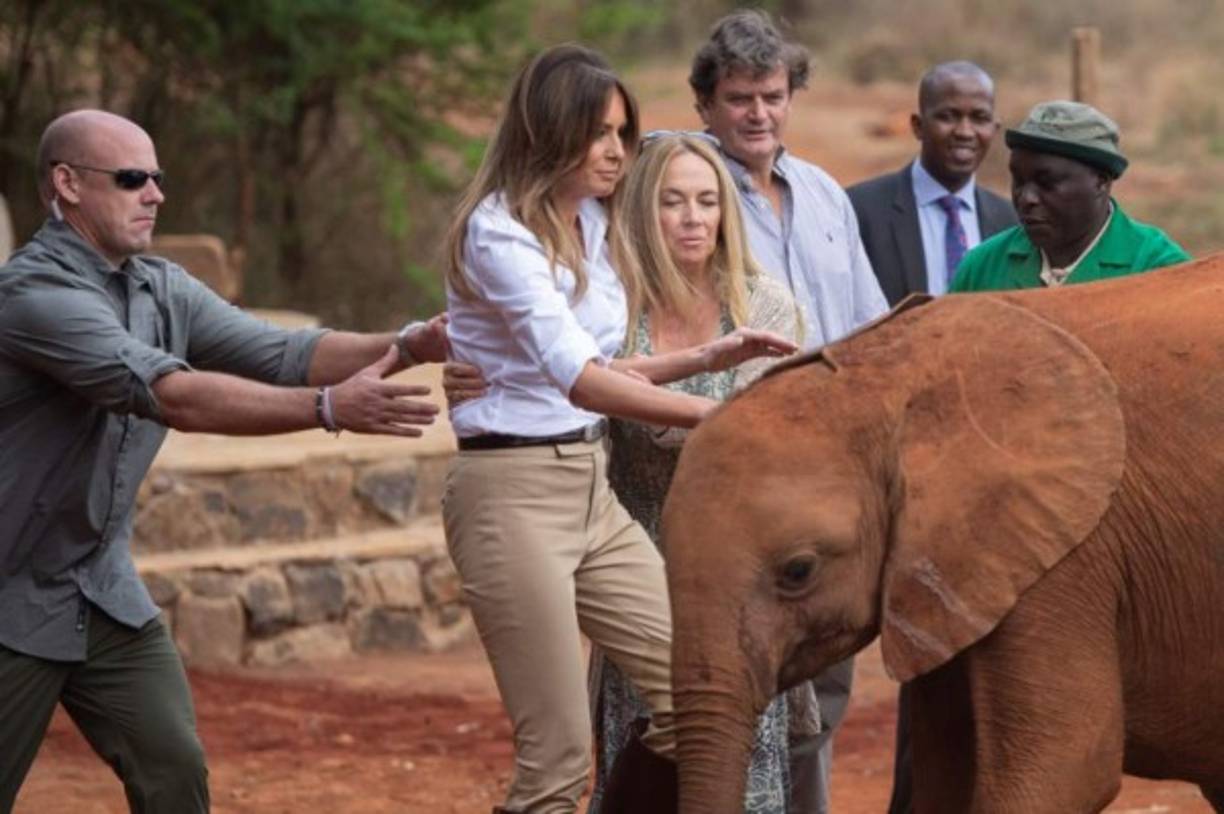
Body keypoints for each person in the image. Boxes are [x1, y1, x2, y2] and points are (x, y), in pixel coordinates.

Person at [0, 109, 454, 813]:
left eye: (158, 179)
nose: (155, 194)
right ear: (66, 185)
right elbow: (171, 395)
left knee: (175, 774)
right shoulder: (35, 297)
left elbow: (286, 354)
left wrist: (411, 343)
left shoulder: (160, 287)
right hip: (9, 599)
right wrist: (328, 410)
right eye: (130, 179)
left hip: (100, 592)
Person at [440, 45, 795, 814]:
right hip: (511, 493)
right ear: (547, 131)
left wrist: (709, 354)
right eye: (599, 133)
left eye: (621, 133)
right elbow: (580, 378)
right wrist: (718, 414)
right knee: (558, 763)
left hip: (589, 487)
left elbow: (603, 369)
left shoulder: (592, 225)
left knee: (697, 701)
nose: (615, 152)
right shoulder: (498, 233)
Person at [688, 11, 889, 811]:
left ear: (792, 95)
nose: (758, 114)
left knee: (820, 685)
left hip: (829, 471)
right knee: (725, 686)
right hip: (730, 462)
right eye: (738, 98)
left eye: (772, 95)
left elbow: (868, 326)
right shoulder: (686, 191)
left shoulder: (825, 192)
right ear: (705, 104)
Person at [587, 134, 802, 814]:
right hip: (633, 566)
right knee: (642, 765)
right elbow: (565, 393)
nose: (692, 218)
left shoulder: (765, 306)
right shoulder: (609, 309)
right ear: (640, 214)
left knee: (744, 775)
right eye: (672, 201)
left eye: (707, 201)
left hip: (740, 573)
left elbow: (769, 440)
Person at [951, 100, 1189, 293]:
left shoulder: (1158, 269)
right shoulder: (982, 268)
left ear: (1101, 182)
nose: (1026, 199)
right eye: (1019, 181)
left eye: (1046, 183)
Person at [848, 61, 1017, 306]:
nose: (965, 132)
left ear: (995, 127)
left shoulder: (1010, 222)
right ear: (918, 126)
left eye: (979, 118)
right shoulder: (860, 211)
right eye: (948, 117)